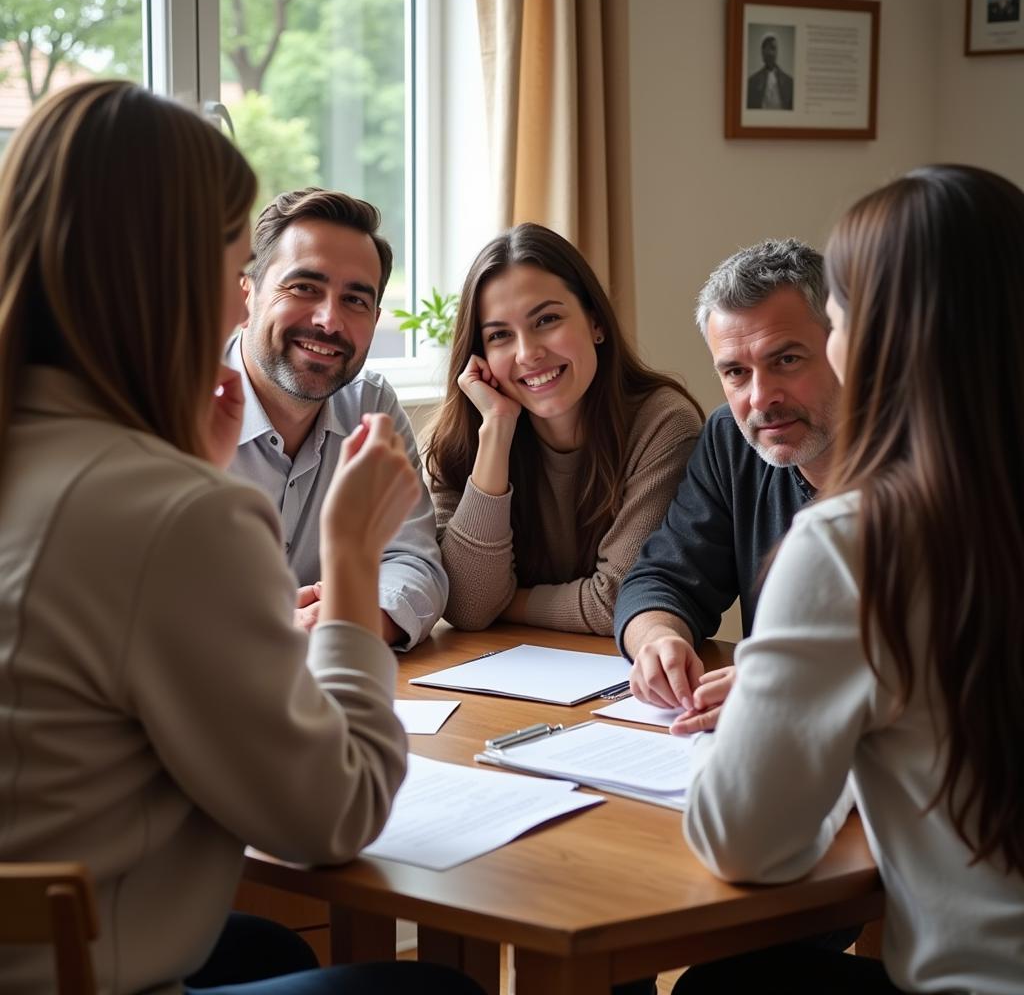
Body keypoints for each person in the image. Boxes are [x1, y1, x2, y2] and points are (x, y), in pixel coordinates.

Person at [0, 80, 483, 995]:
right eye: (234, 272)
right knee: (431, 989)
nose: (234, 310)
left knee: (266, 952)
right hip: (74, 973)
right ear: (177, 275)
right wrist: (347, 564)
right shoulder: (169, 509)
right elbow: (334, 816)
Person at [676, 165, 1024, 992]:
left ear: (877, 339)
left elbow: (743, 842)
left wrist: (779, 696)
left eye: (835, 318)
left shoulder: (856, 542)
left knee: (726, 988)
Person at [426, 223, 704, 636]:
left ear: (596, 323)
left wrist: (505, 600)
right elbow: (467, 606)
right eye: (500, 335)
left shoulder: (662, 424)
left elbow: (620, 601)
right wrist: (497, 430)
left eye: (547, 319)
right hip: (507, 674)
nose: (528, 353)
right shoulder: (465, 438)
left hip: (622, 681)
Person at [616, 239, 840, 731]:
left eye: (786, 360)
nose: (762, 398)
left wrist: (793, 684)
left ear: (844, 345)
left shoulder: (931, 457)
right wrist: (657, 639)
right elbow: (663, 579)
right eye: (736, 372)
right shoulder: (732, 440)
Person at [227, 188, 447, 649]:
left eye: (355, 301)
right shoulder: (168, 405)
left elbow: (415, 561)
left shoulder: (371, 406)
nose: (329, 321)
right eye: (304, 287)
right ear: (246, 293)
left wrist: (351, 618)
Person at [746, 32, 794, 110]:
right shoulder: (752, 82)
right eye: (766, 49)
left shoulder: (789, 82)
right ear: (762, 52)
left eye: (773, 48)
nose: (770, 53)